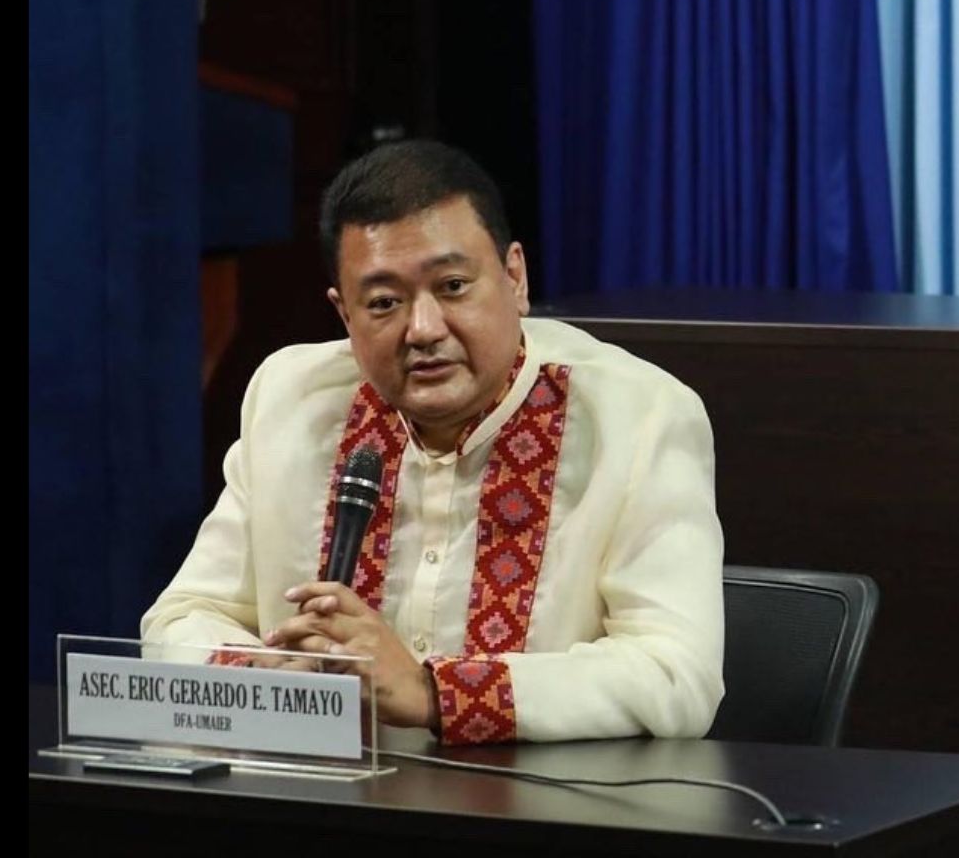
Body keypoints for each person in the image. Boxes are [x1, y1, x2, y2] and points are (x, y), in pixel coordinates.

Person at [142, 139, 725, 745]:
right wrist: (266, 679)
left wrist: (433, 691)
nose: (422, 330)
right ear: (344, 315)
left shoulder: (640, 416)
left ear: (515, 277)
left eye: (451, 286)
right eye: (384, 302)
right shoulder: (291, 400)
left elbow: (677, 675)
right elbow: (181, 618)